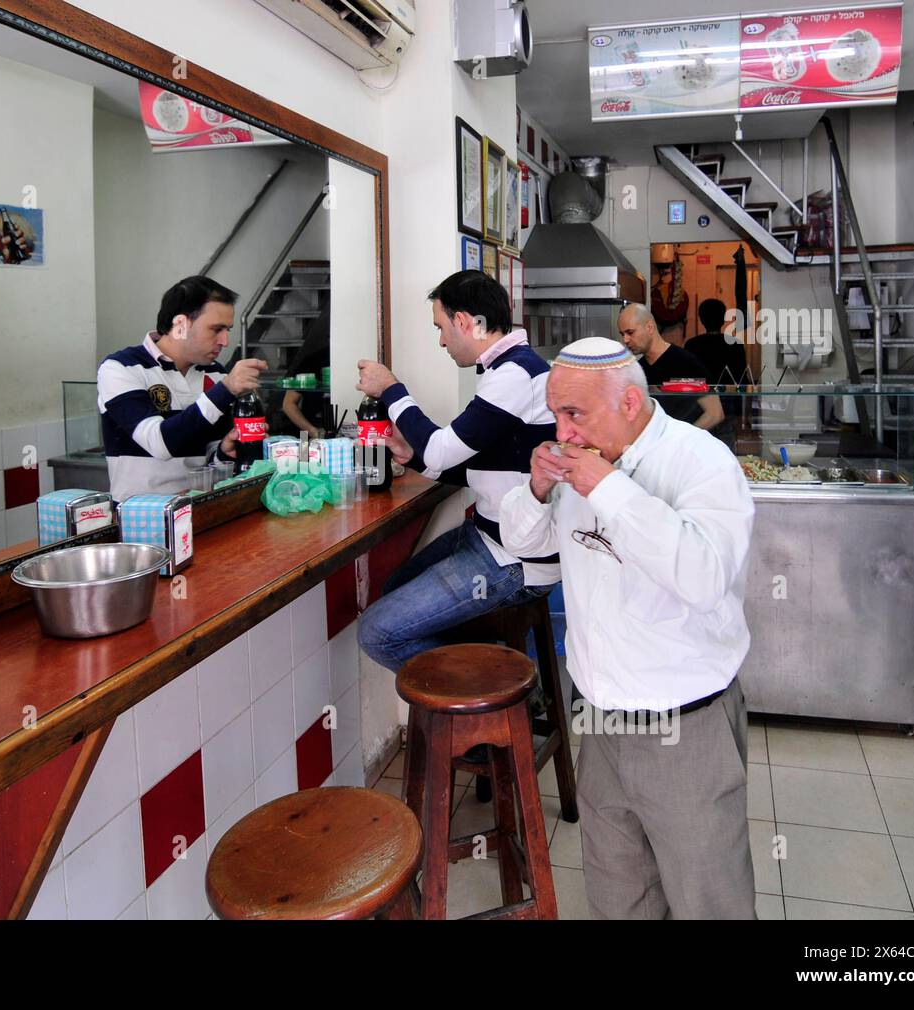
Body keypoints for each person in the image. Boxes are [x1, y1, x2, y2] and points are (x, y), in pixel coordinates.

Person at [499, 336, 756, 919]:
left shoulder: (700, 460)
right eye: (555, 414)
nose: (561, 432)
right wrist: (537, 490)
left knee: (708, 899)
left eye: (573, 414)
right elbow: (524, 544)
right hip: (600, 718)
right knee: (620, 896)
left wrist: (609, 488)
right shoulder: (576, 459)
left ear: (630, 404)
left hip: (685, 723)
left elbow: (703, 575)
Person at [354, 270, 559, 673]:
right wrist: (411, 455)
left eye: (442, 328)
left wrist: (392, 388)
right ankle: (486, 676)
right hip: (489, 535)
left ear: (464, 321)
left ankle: (496, 697)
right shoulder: (508, 369)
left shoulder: (517, 374)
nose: (442, 341)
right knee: (395, 589)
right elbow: (467, 466)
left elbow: (440, 450)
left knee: (376, 632)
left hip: (515, 558)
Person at [97, 276, 266, 501]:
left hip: (200, 507)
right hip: (145, 517)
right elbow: (160, 443)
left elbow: (209, 462)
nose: (225, 341)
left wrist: (225, 452)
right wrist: (225, 390)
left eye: (228, 330)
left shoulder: (216, 373)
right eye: (216, 329)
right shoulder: (122, 368)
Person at [618, 302, 723, 430]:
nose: (625, 340)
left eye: (630, 332)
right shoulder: (638, 369)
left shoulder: (685, 361)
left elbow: (715, 414)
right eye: (622, 334)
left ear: (650, 327)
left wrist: (679, 440)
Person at [684, 298, 750, 448]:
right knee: (725, 450)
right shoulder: (735, 344)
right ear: (723, 319)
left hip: (700, 409)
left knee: (699, 450)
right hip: (729, 406)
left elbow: (687, 380)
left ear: (701, 319)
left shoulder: (692, 345)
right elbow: (741, 380)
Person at [281, 306, 331, 438]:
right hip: (307, 432)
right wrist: (312, 431)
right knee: (303, 458)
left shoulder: (354, 361)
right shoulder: (313, 360)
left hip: (341, 432)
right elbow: (288, 404)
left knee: (361, 458)